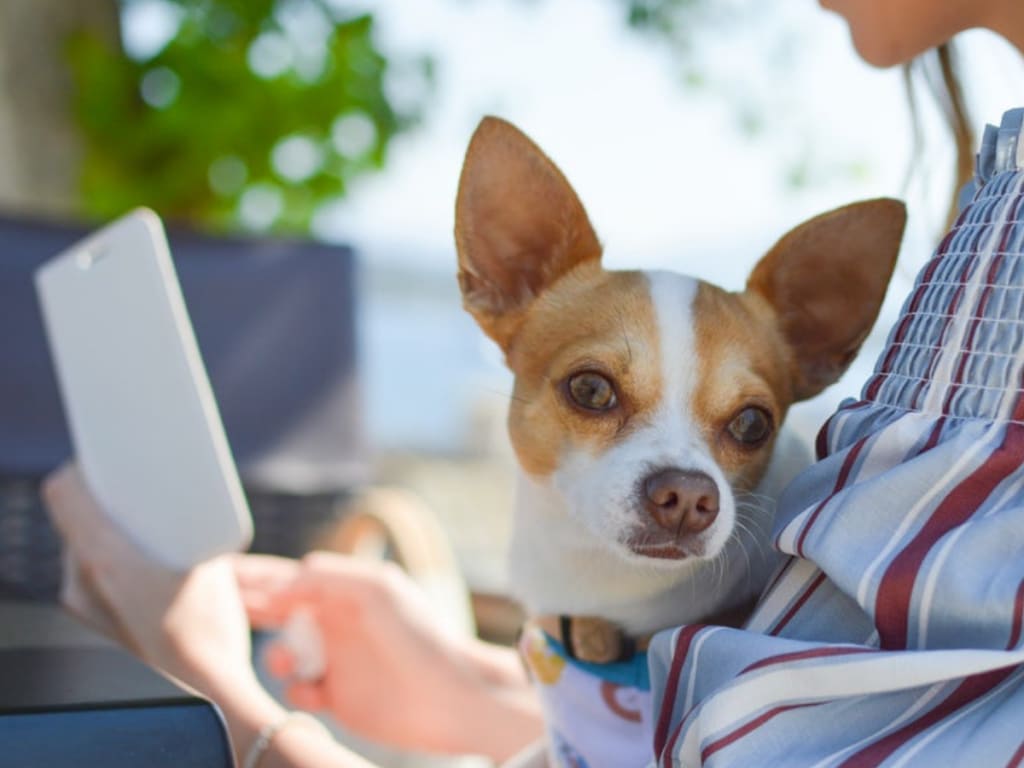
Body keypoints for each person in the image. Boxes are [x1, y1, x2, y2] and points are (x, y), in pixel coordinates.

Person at [44, 2, 1024, 766]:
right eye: (599, 393)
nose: (688, 484)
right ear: (502, 283)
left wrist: (216, 693)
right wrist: (473, 687)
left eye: (744, 425)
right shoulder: (993, 220)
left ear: (813, 357)